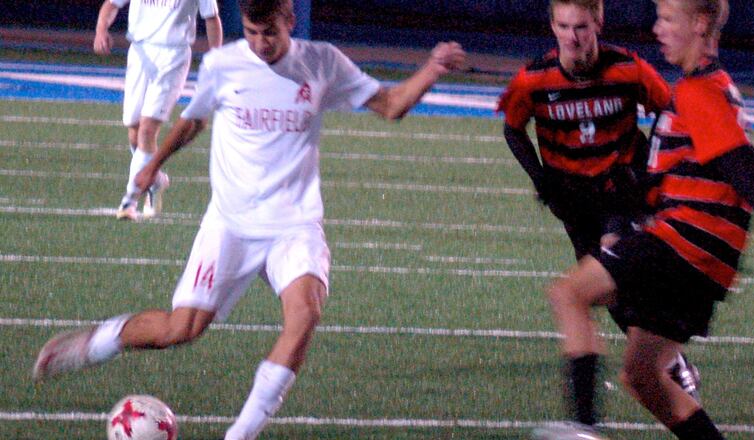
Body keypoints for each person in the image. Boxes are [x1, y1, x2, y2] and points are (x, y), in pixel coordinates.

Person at [33, 0, 465, 438]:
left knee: (304, 316)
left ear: (290, 21)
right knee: (179, 329)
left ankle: (240, 434)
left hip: (293, 225)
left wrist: (432, 68)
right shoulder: (224, 64)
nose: (261, 44)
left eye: (270, 33)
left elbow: (391, 104)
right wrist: (152, 164)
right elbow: (193, 120)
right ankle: (94, 343)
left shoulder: (321, 63)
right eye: (253, 32)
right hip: (230, 224)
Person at [534, 0, 754, 438]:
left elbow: (744, 169)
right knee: (643, 376)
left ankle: (581, 429)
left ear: (700, 24)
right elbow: (680, 177)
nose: (657, 28)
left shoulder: (699, 91)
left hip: (684, 245)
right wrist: (626, 206)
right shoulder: (708, 86)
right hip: (706, 265)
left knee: (569, 294)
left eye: (668, 19)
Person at [497, 0, 700, 403]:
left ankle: (663, 365)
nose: (573, 36)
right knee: (607, 292)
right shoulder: (533, 79)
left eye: (582, 27)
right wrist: (541, 177)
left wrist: (645, 171)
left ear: (599, 23)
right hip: (574, 200)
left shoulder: (628, 67)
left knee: (614, 269)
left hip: (619, 194)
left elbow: (667, 109)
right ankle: (667, 356)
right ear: (552, 26)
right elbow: (513, 129)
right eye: (565, 26)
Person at [93, 0, 223, 220]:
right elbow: (111, 4)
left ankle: (129, 200)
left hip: (173, 55)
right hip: (140, 53)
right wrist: (101, 30)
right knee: (134, 131)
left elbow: (211, 18)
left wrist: (218, 60)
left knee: (147, 130)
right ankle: (155, 180)